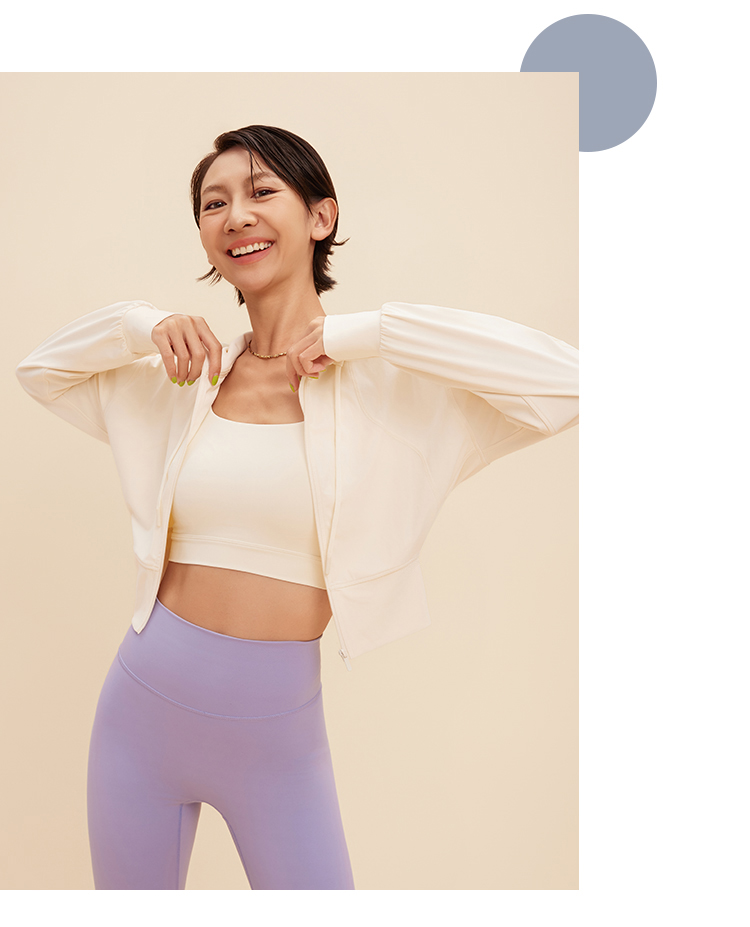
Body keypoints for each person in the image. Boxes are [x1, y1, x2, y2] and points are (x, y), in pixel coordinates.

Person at [15, 125, 579, 890]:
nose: (236, 215)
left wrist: (368, 333)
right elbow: (41, 371)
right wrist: (143, 325)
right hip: (139, 715)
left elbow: (568, 380)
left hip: (277, 741)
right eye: (214, 203)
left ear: (321, 216)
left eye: (261, 191)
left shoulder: (393, 393)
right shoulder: (185, 381)